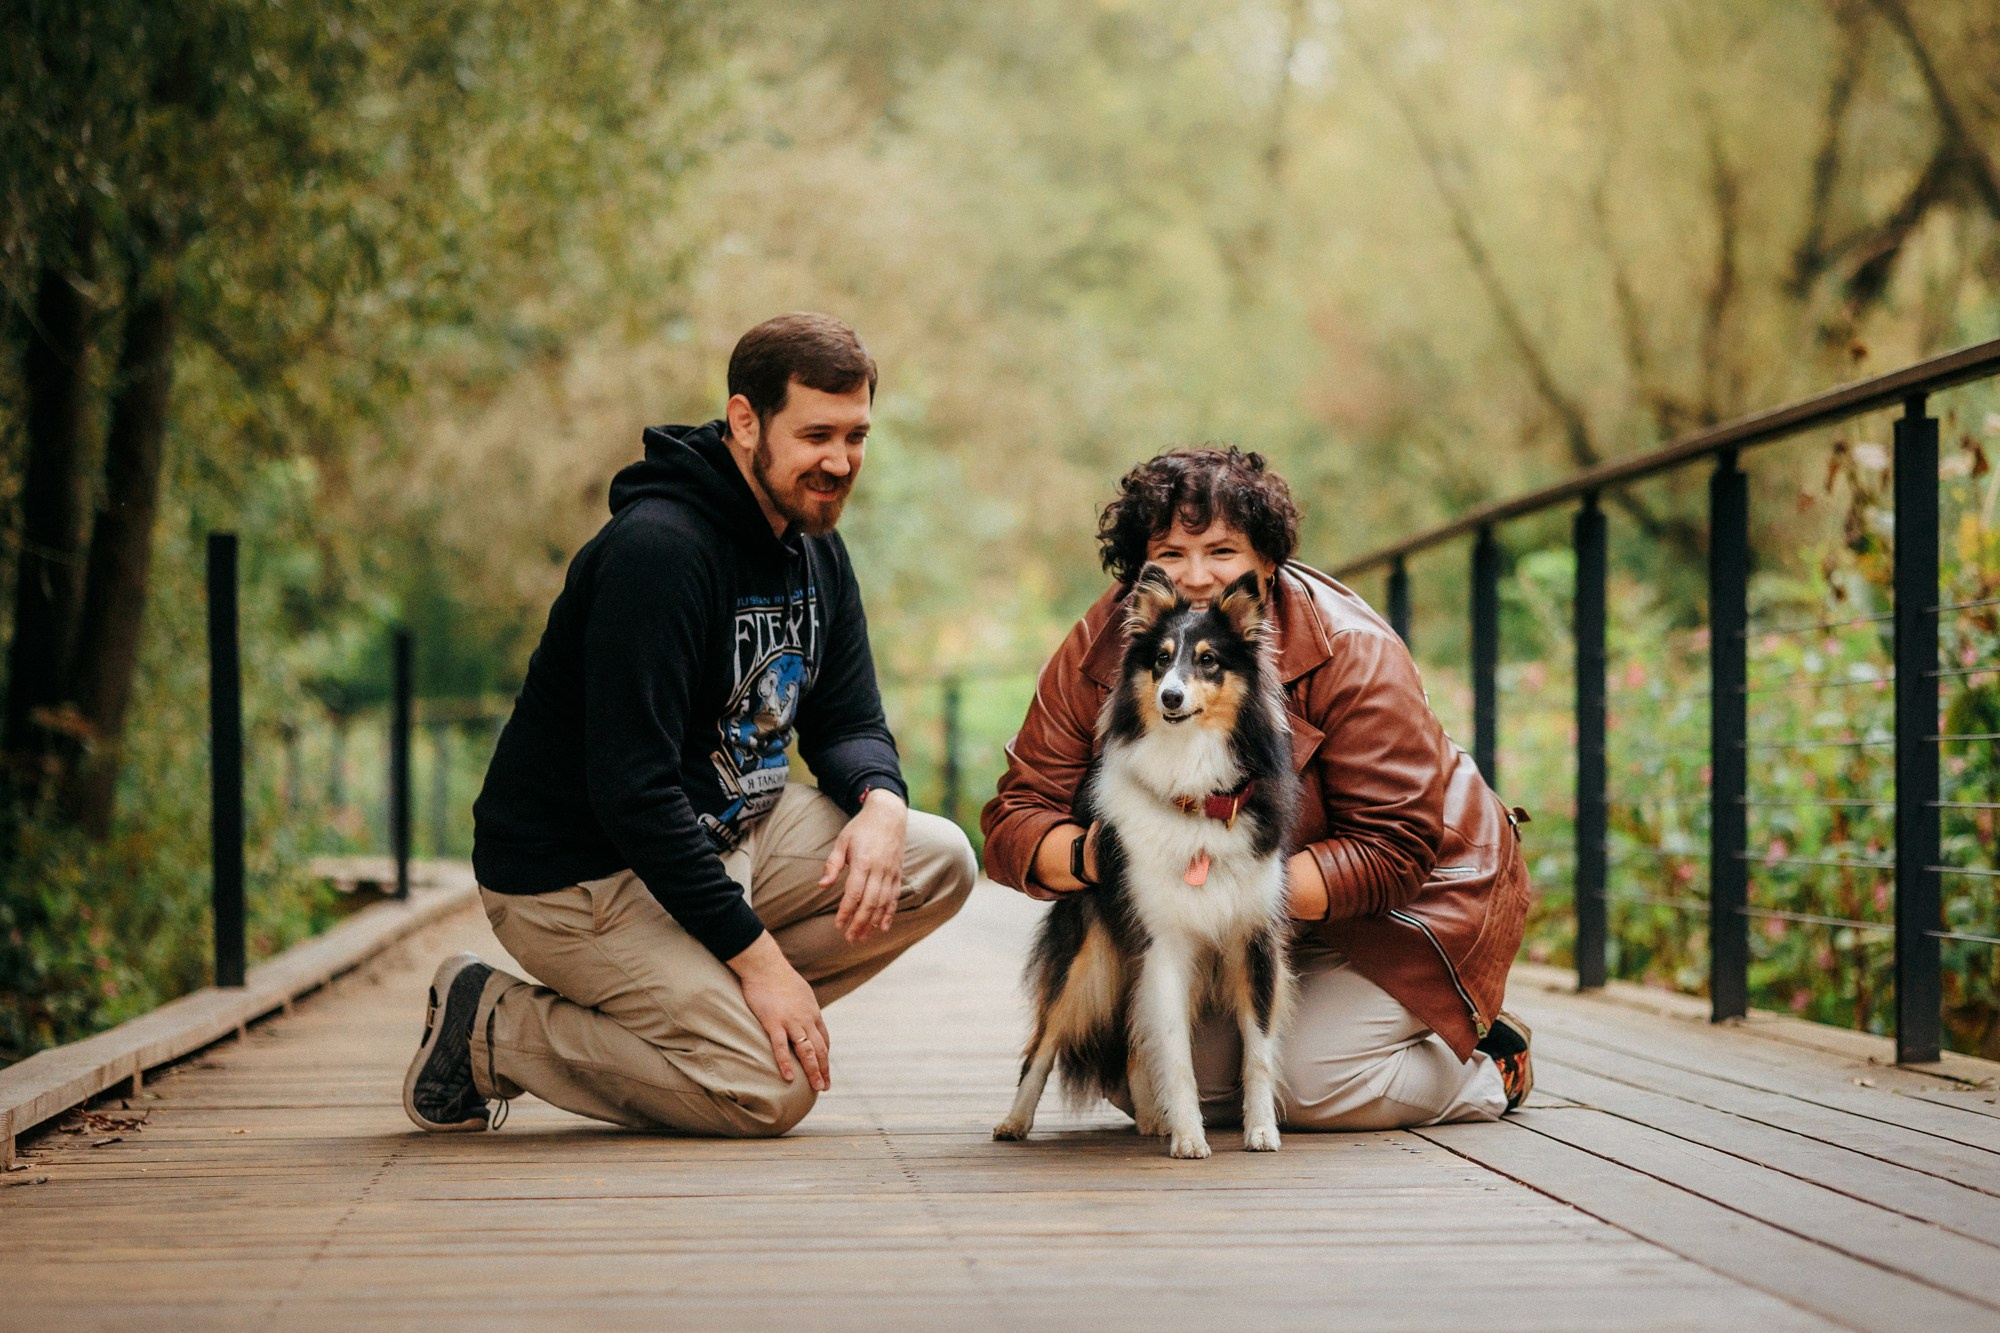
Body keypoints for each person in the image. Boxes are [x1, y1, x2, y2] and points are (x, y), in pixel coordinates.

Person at [404, 313, 975, 1138]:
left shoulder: (816, 547)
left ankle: (704, 1000)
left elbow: (848, 719)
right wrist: (762, 961)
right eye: (816, 434)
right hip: (581, 877)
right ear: (746, 421)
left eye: (856, 436)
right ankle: (491, 1025)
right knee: (764, 1090)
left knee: (937, 858)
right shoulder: (659, 553)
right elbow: (632, 793)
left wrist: (882, 800)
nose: (840, 462)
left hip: (728, 833)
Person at [981, 446, 1533, 1131]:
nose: (1197, 576)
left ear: (1267, 562)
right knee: (1158, 1075)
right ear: (1139, 567)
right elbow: (1015, 814)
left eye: (1221, 550)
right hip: (1224, 911)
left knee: (1305, 1084)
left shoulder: (1352, 647)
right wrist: (1105, 859)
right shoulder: (1104, 643)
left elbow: (1395, 846)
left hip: (1402, 911)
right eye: (1171, 553)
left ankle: (1486, 1065)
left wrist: (1241, 886)